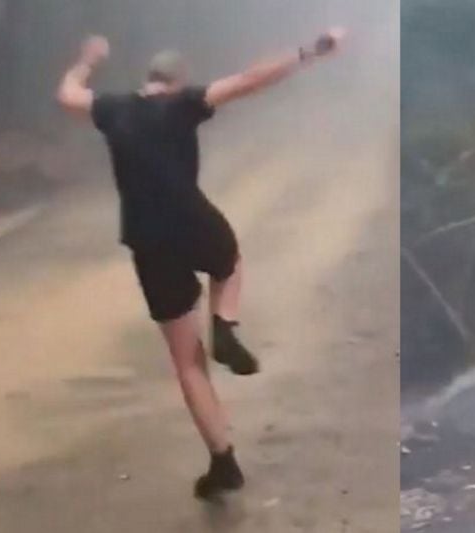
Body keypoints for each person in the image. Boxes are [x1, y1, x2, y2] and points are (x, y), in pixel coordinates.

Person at [56, 29, 345, 500]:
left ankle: (223, 461)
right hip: (192, 220)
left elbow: (67, 96)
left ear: (149, 79)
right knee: (228, 263)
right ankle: (225, 324)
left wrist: (87, 60)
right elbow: (251, 80)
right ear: (177, 79)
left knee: (187, 363)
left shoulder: (113, 110)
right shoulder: (184, 103)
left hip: (147, 240)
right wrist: (309, 51)